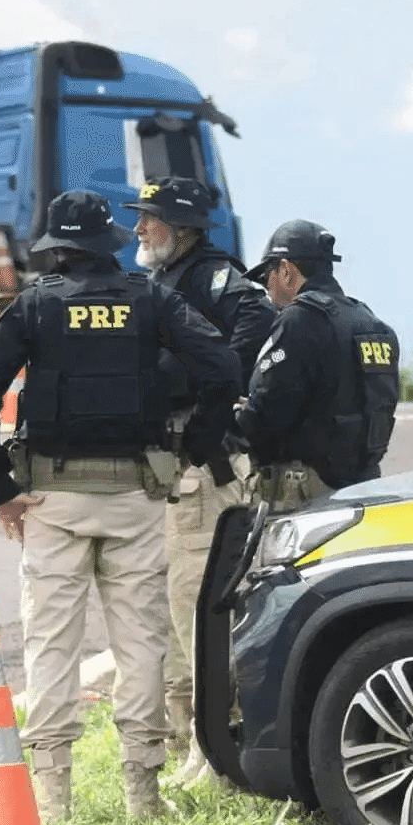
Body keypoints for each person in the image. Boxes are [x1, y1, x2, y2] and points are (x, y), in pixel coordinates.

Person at [0, 189, 240, 824]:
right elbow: (223, 367)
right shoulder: (151, 299)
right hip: (137, 498)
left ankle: (54, 803)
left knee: (51, 643)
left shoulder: (33, 307)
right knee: (141, 642)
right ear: (109, 244)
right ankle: (143, 796)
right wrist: (190, 451)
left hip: (52, 501)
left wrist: (0, 491)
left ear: (57, 249)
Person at [127, 176, 275, 787]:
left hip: (203, 475)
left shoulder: (216, 279)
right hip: (171, 472)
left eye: (151, 220)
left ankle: (221, 746)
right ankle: (194, 742)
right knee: (170, 608)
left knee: (199, 609)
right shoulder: (166, 281)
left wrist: (207, 395)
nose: (139, 230)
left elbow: (252, 329)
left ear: (182, 227)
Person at [237, 220, 400, 508]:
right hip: (365, 489)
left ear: (286, 271)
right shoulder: (372, 324)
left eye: (267, 278)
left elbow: (266, 410)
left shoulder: (298, 319)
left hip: (305, 495)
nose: (267, 291)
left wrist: (242, 415)